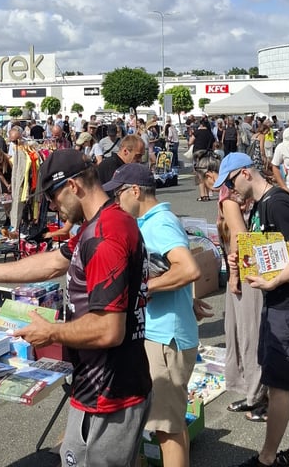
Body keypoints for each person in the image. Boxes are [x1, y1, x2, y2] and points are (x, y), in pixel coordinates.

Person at [0, 150, 152, 467]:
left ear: (74, 186)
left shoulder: (105, 237)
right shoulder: (100, 224)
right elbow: (55, 262)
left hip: (107, 395)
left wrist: (51, 332)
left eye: (52, 196)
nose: (51, 206)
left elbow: (109, 330)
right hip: (109, 386)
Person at [104, 162, 212, 467]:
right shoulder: (150, 221)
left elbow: (187, 268)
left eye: (120, 194)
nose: (116, 201)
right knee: (164, 423)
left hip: (166, 339)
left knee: (168, 428)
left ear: (135, 191)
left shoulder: (160, 222)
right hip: (160, 334)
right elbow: (171, 270)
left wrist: (144, 288)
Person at [214, 153, 289, 467]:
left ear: (245, 173)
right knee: (285, 380)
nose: (231, 191)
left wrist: (274, 283)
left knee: (278, 385)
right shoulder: (263, 205)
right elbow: (274, 252)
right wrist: (240, 263)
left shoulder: (276, 203)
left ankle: (267, 457)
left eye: (232, 182)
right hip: (282, 303)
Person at [198, 154, 268, 422]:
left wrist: (234, 275)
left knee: (248, 335)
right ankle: (256, 395)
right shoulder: (250, 194)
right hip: (258, 265)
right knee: (250, 333)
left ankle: (257, 398)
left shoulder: (229, 198)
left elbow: (239, 237)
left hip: (248, 269)